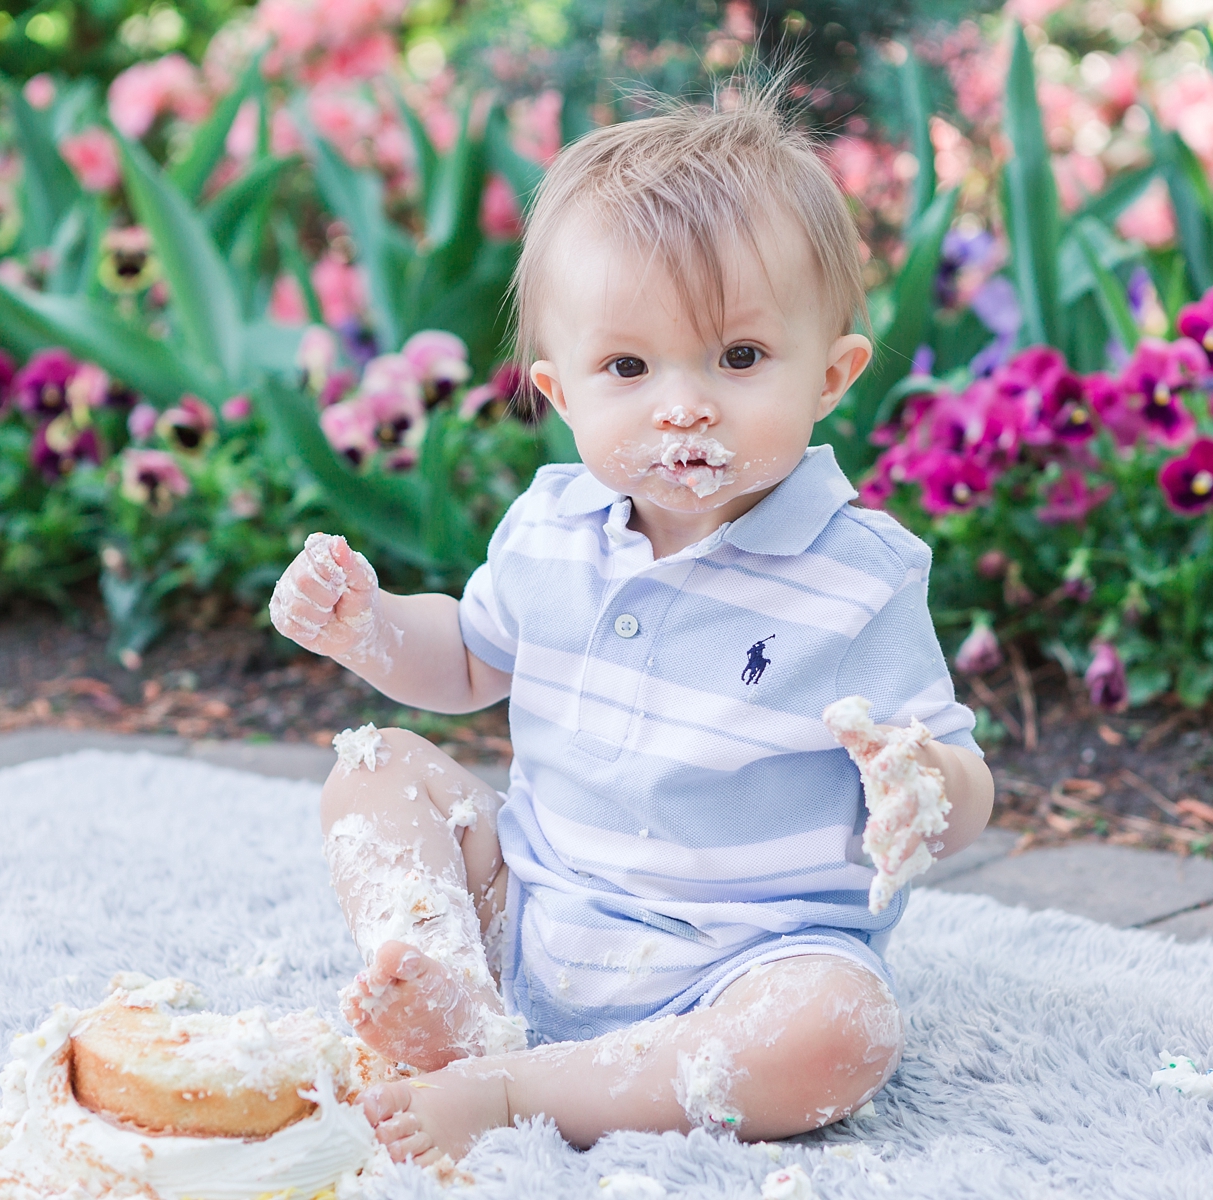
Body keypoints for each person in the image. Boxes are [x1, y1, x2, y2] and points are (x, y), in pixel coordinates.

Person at [268, 80, 994, 1166]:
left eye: (740, 358)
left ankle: (522, 1084)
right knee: (374, 773)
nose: (683, 404)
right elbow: (467, 658)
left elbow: (960, 771)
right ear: (562, 395)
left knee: (842, 1032)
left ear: (832, 376)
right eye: (629, 367)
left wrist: (923, 782)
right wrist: (367, 627)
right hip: (538, 912)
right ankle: (446, 991)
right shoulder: (554, 526)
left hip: (743, 962)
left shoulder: (856, 575)